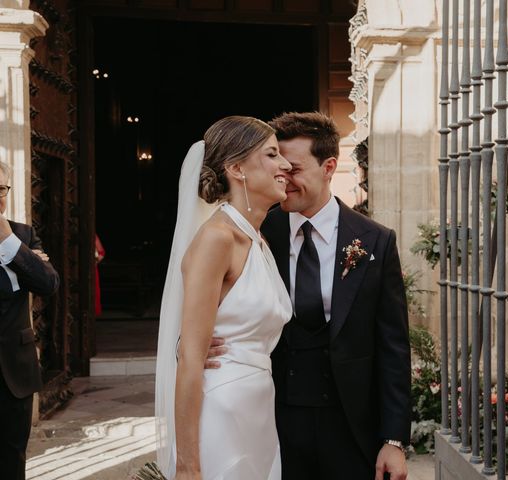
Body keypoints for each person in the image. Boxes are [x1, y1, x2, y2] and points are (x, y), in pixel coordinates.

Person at [208, 112, 412, 480]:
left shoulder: (375, 240)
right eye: (278, 168)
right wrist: (191, 344)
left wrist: (394, 440)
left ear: (329, 166)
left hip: (351, 425)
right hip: (272, 420)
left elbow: (393, 347)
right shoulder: (255, 232)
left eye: (295, 169)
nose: (284, 180)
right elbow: (211, 300)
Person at [154, 116, 293, 480]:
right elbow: (190, 359)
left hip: (258, 408)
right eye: (272, 154)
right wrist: (187, 466)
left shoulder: (258, 241)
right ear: (236, 168)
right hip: (221, 408)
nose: (286, 165)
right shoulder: (217, 239)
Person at [0, 160, 59, 480]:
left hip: (14, 374)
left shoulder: (22, 234)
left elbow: (48, 283)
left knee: (12, 460)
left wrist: (10, 245)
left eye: (1, 189)